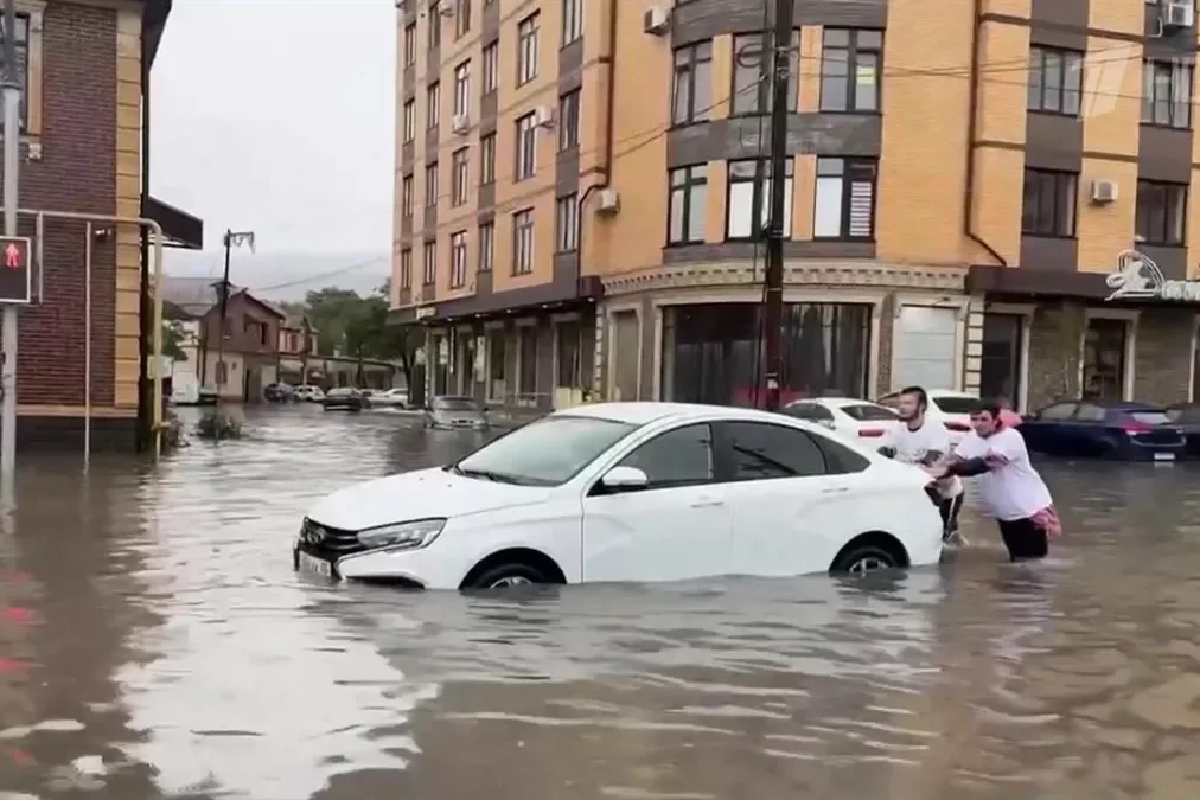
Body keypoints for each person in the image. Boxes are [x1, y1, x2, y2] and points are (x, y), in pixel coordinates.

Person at [925, 399, 1059, 562]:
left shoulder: (1010, 437)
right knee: (1017, 563)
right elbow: (956, 458)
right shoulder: (973, 436)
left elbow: (986, 464)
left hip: (1028, 510)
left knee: (1032, 564)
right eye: (974, 419)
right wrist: (930, 471)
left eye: (983, 419)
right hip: (1005, 511)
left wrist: (947, 470)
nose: (978, 424)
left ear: (996, 420)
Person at [877, 386, 965, 543]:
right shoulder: (897, 428)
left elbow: (932, 463)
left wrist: (904, 464)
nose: (902, 407)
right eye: (901, 403)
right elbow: (882, 453)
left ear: (922, 407)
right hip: (912, 488)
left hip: (943, 493)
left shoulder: (935, 428)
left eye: (908, 403)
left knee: (942, 539)